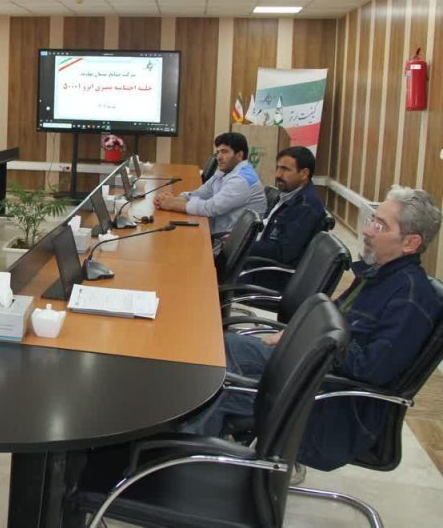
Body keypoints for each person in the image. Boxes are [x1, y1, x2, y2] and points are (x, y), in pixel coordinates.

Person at [189, 186, 442, 471]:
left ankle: (186, 467)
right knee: (219, 349)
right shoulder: (381, 274)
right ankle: (191, 444)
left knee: (218, 384)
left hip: (330, 403)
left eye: (380, 225)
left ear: (410, 243)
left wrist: (312, 339)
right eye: (373, 219)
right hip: (313, 367)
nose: (367, 230)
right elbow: (334, 319)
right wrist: (300, 334)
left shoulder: (411, 300)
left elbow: (369, 369)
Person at [246, 146, 326, 289]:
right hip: (257, 264)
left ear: (304, 173)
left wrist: (244, 245)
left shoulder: (306, 207)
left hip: (268, 276)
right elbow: (268, 226)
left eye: (285, 169)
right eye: (278, 168)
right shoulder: (287, 195)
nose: (278, 174)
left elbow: (282, 252)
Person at [154, 132, 266, 233]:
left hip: (226, 239)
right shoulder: (226, 171)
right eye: (218, 152)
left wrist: (172, 204)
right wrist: (171, 199)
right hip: (216, 228)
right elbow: (200, 194)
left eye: (224, 152)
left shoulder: (241, 180)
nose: (219, 157)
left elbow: (211, 208)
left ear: (239, 155)